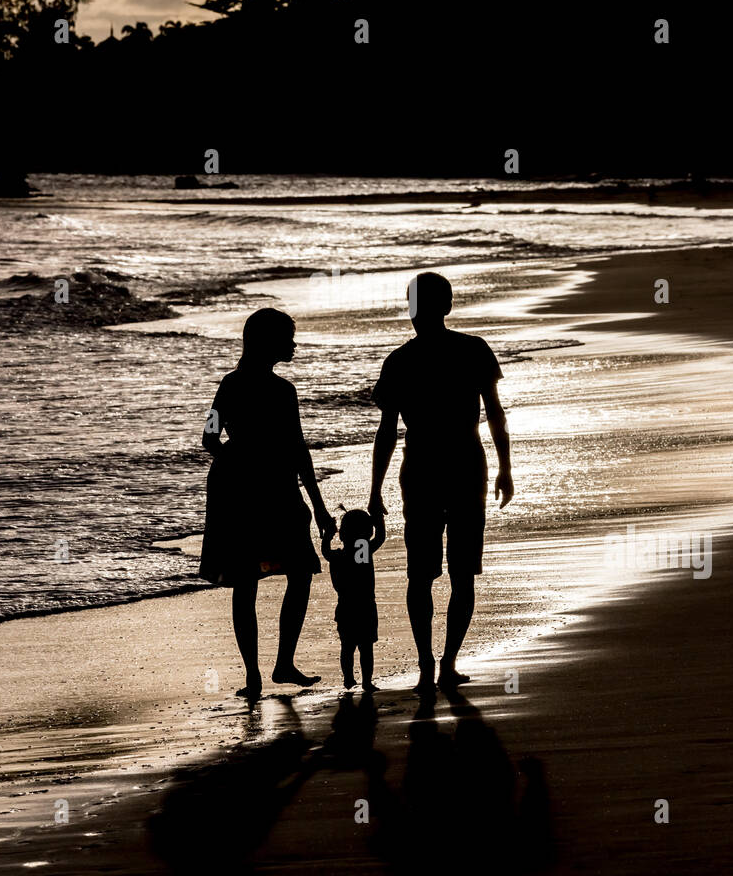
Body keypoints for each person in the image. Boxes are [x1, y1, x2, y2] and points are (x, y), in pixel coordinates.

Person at [368, 272, 514, 694]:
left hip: (427, 470)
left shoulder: (402, 360)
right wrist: (505, 467)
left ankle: (433, 664)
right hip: (461, 467)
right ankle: (441, 663)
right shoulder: (472, 350)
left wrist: (376, 491)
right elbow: (495, 415)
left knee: (428, 574)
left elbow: (387, 432)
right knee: (452, 573)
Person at [199, 307, 336, 700]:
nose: (293, 344)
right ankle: (281, 664)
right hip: (271, 486)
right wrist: (319, 506)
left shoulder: (230, 384)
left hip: (236, 485)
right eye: (287, 338)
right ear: (268, 342)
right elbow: (298, 450)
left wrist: (236, 459)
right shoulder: (281, 391)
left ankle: (256, 676)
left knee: (247, 581)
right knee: (298, 572)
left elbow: (209, 438)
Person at [322, 509, 384, 692]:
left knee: (347, 647)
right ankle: (366, 681)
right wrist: (378, 519)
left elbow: (325, 551)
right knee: (366, 648)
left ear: (342, 534)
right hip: (364, 606)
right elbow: (379, 538)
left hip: (345, 607)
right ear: (367, 533)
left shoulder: (337, 556)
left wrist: (327, 534)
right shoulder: (361, 552)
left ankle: (348, 678)